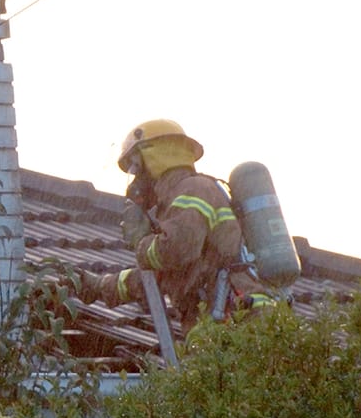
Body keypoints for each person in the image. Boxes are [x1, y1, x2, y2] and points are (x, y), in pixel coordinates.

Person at [76, 119, 276, 334]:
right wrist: (98, 286)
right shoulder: (175, 207)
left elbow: (176, 251)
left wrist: (141, 240)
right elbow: (155, 278)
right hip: (222, 319)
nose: (134, 182)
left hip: (236, 318)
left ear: (153, 159)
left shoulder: (193, 190)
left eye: (136, 169)